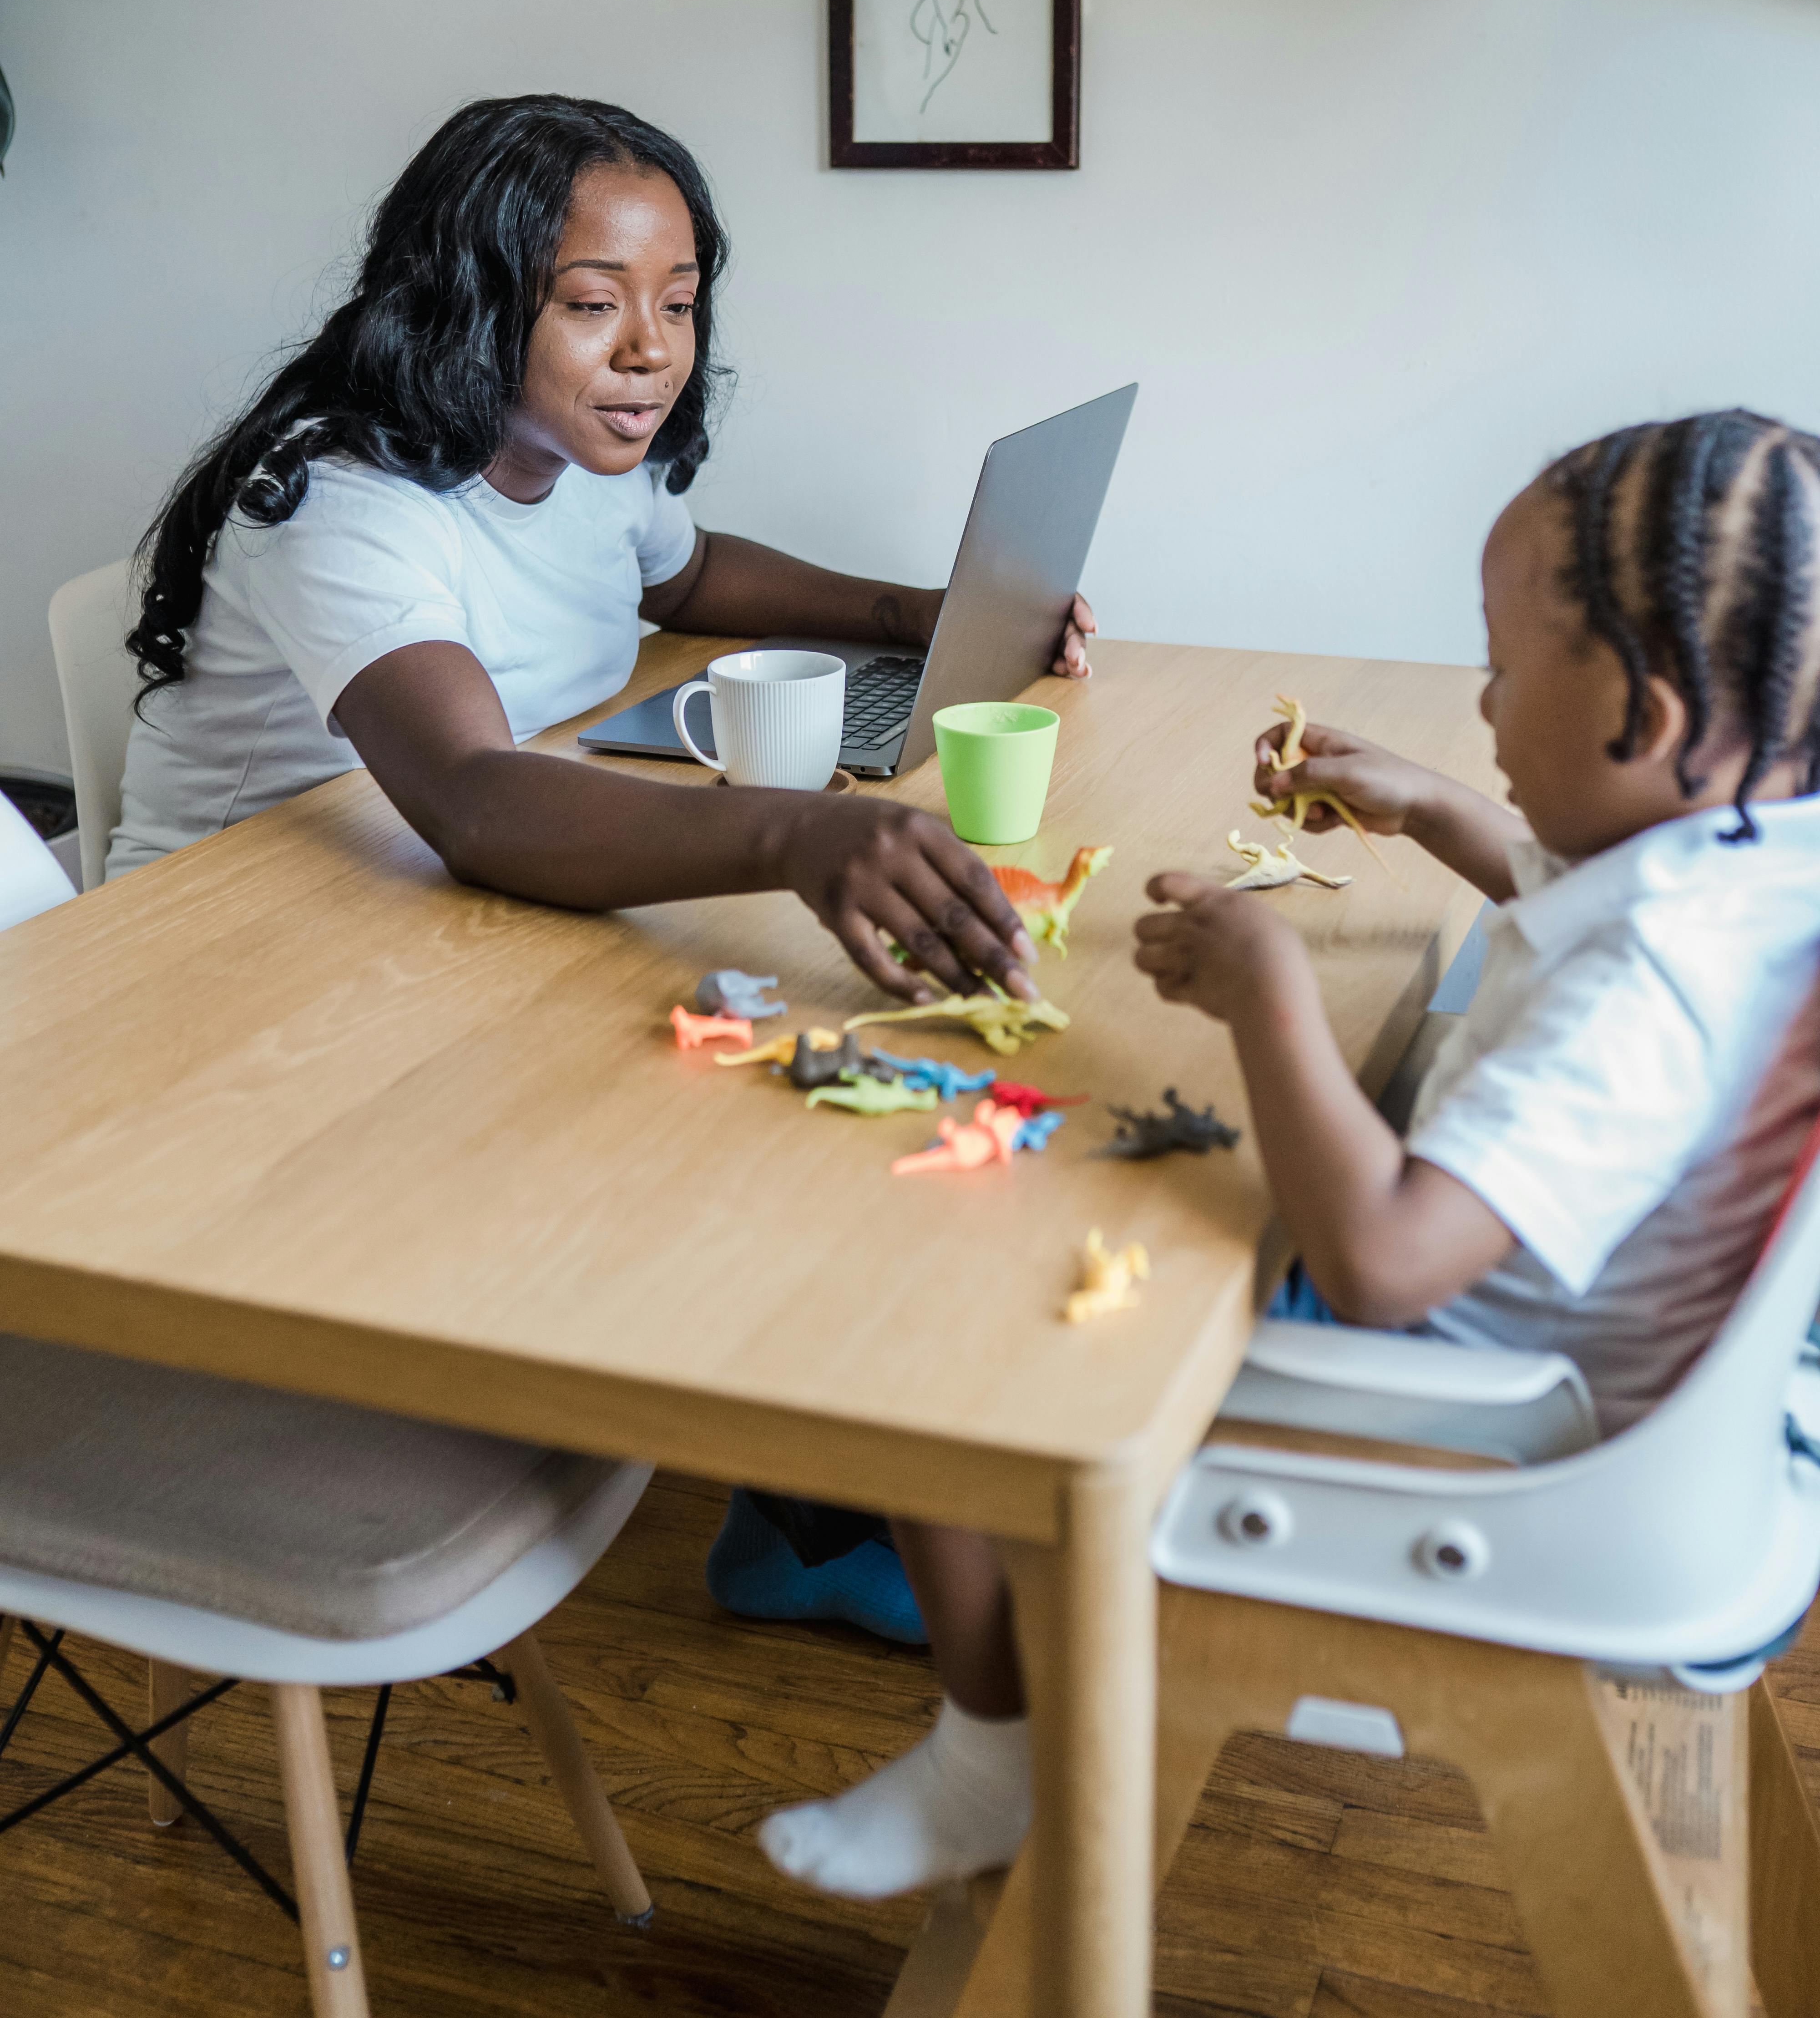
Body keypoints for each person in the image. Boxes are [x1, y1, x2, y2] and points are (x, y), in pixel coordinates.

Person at [758, 408, 1820, 1898]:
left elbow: (1381, 1261)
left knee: (930, 1309)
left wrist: (1269, 994)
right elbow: (1589, 887)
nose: (1484, 699)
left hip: (1478, 1423)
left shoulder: (1647, 993)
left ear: (1641, 720)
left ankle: (990, 1759)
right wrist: (1436, 799)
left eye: (1504, 673)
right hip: (1637, 1406)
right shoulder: (1755, 865)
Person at [112, 96, 1092, 1023]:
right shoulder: (337, 496)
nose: (651, 351)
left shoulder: (579, 448)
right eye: (593, 304)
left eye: (677, 304)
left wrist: (917, 614)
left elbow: (690, 576)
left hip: (428, 916)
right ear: (468, 308)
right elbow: (470, 795)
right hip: (225, 952)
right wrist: (792, 834)